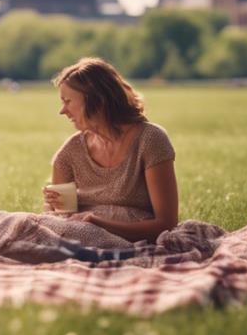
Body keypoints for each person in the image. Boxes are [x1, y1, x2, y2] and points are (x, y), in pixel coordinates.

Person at [43, 57, 178, 242]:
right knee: (16, 223)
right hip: (82, 240)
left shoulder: (150, 140)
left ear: (97, 101)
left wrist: (97, 224)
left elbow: (167, 224)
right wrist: (53, 206)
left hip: (134, 241)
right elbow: (59, 220)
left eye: (68, 101)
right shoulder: (69, 152)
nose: (62, 111)